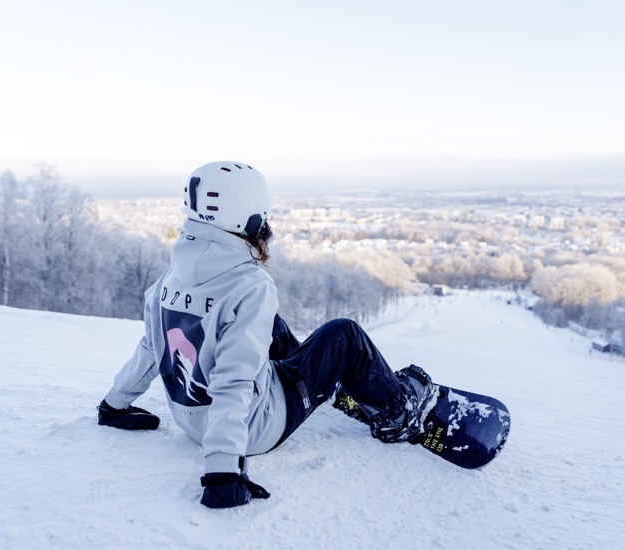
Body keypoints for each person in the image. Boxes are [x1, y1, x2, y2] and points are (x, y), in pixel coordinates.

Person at [97, 161, 437, 509]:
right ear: (248, 214)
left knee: (269, 324)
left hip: (192, 421)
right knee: (344, 335)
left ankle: (328, 384)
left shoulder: (174, 271)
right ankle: (398, 416)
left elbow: (153, 345)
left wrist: (113, 405)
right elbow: (234, 380)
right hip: (254, 427)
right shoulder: (250, 284)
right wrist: (222, 475)